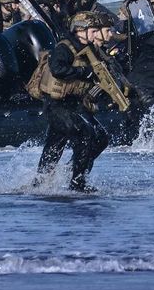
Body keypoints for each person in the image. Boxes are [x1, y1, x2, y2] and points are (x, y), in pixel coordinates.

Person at [29, 10, 124, 192]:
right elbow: (57, 69)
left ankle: (65, 174)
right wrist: (83, 72)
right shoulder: (65, 48)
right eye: (93, 30)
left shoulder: (89, 50)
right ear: (81, 30)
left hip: (74, 104)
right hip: (56, 105)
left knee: (98, 138)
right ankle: (76, 183)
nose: (96, 34)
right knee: (82, 133)